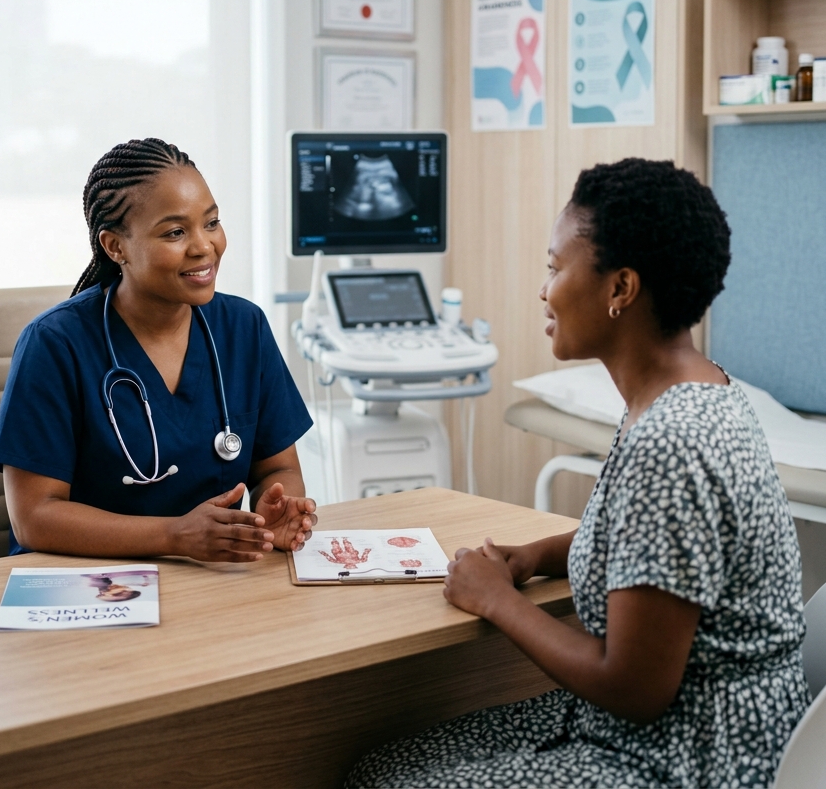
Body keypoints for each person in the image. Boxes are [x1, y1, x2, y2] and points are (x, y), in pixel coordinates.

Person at [347, 158, 810, 788]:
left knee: (386, 780)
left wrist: (496, 600)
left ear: (620, 289)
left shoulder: (671, 443)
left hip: (688, 758)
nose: (545, 290)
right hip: (694, 731)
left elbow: (633, 687)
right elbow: (652, 548)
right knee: (384, 761)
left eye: (554, 268)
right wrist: (535, 555)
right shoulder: (697, 390)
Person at [0, 138, 317, 562]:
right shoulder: (55, 344)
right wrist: (175, 536)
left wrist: (278, 508)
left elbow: (278, 467)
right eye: (176, 232)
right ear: (115, 246)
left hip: (213, 581)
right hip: (91, 588)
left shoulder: (244, 328)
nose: (203, 246)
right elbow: (34, 517)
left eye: (211, 223)